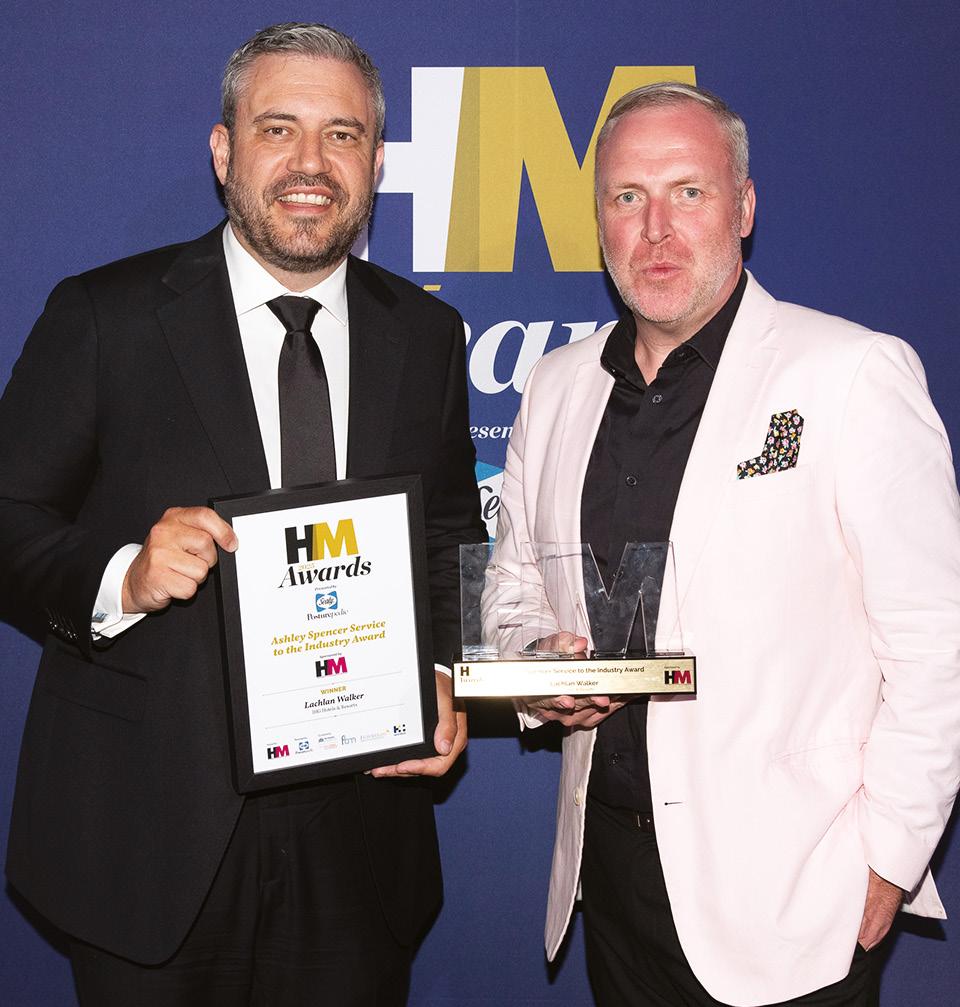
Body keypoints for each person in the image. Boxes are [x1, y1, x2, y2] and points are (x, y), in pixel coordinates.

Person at [0, 22, 484, 1006]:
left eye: (342, 134)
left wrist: (442, 672)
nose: (311, 163)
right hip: (147, 841)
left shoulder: (428, 334)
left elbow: (449, 538)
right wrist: (124, 576)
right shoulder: (105, 316)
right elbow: (8, 514)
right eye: (278, 128)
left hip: (357, 844)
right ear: (224, 151)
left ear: (377, 163)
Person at [490, 82, 960, 1006]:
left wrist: (886, 864)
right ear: (599, 219)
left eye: (689, 192)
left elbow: (937, 642)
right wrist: (534, 661)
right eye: (628, 197)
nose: (655, 229)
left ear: (743, 207)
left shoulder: (851, 373)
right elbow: (512, 587)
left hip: (795, 904)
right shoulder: (554, 386)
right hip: (612, 885)